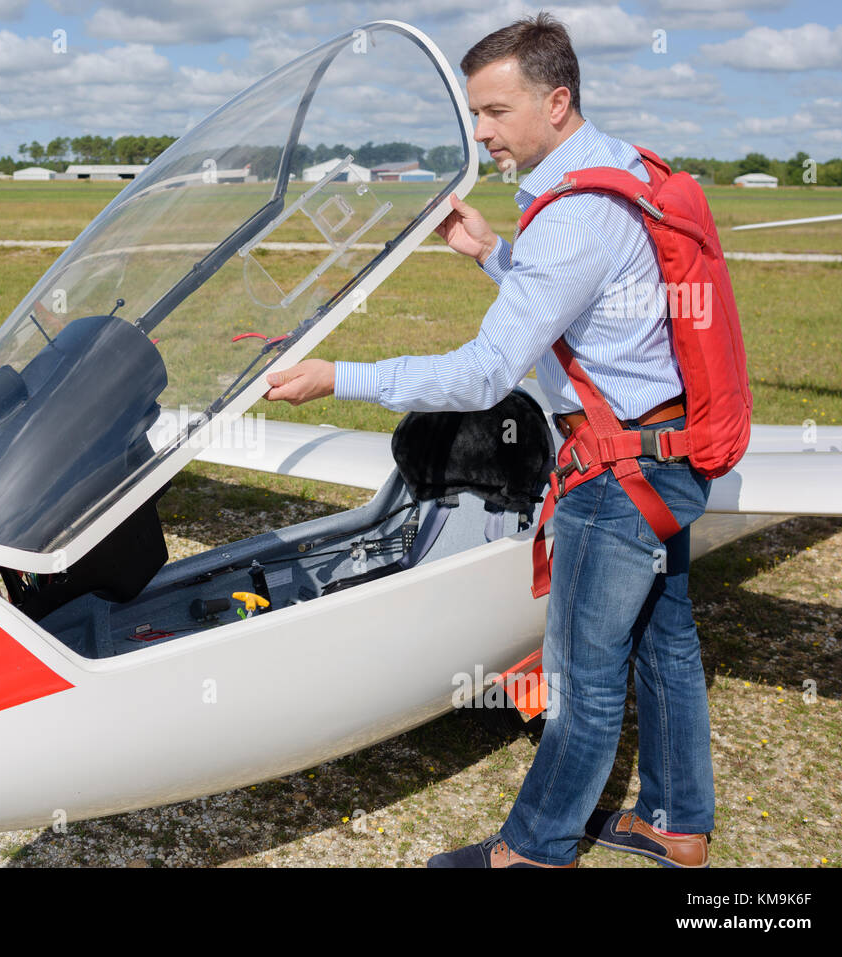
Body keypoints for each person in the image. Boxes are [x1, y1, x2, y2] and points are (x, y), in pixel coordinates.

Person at [264, 12, 715, 868]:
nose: (481, 132)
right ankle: (677, 821)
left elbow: (481, 375)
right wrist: (490, 254)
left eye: (496, 112)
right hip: (668, 451)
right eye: (476, 113)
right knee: (665, 641)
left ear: (556, 100)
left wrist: (339, 376)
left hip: (617, 475)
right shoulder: (616, 169)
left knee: (583, 679)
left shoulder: (573, 215)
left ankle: (533, 849)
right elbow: (582, 303)